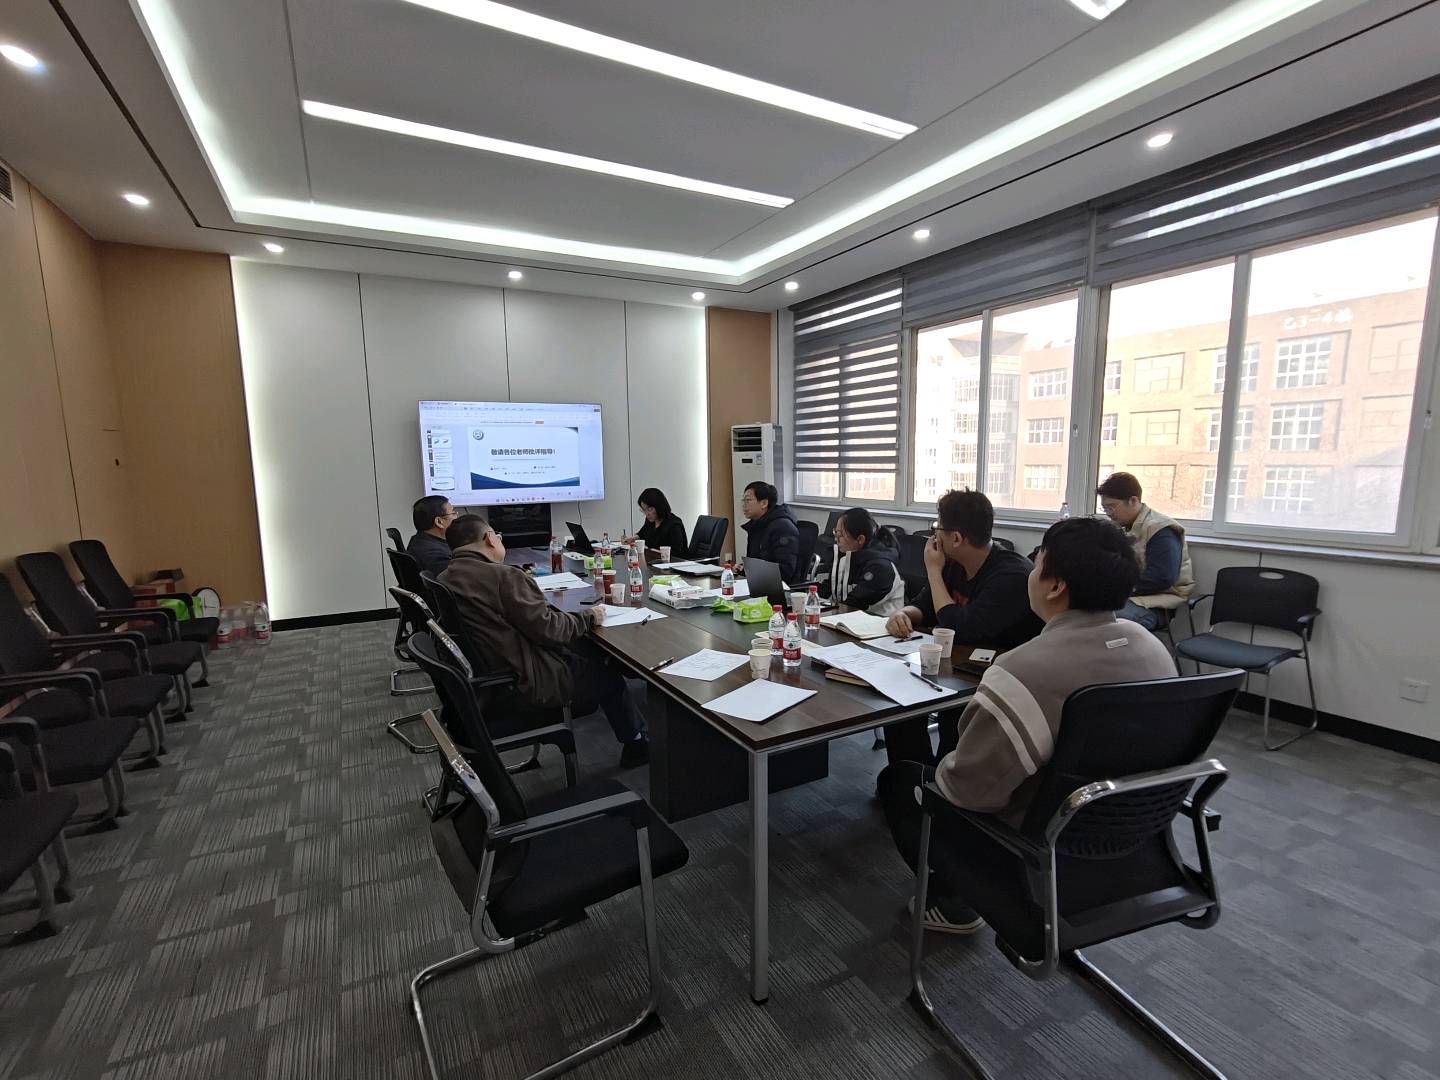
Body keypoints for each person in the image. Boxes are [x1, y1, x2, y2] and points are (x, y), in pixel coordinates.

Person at [878, 516, 1178, 934]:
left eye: (1037, 566)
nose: (1029, 575)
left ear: (1056, 587)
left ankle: (957, 900)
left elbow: (968, 791)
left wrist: (940, 769)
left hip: (1039, 841)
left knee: (900, 782)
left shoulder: (1022, 670)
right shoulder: (1154, 649)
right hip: (1136, 835)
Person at [439, 514, 650, 767]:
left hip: (491, 675)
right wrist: (588, 616)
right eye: (497, 535)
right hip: (527, 679)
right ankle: (636, 744)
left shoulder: (446, 576)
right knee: (607, 675)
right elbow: (549, 629)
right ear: (489, 539)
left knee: (588, 650)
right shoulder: (502, 576)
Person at [881, 489, 1043, 768]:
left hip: (1000, 679)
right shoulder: (953, 565)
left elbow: (959, 626)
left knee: (953, 720)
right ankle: (911, 779)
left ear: (955, 538)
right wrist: (902, 613)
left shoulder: (1011, 575)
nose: (934, 537)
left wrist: (933, 570)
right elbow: (925, 605)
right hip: (959, 667)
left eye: (937, 529)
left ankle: (943, 781)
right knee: (900, 706)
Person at [1096, 472, 1195, 631]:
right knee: (1078, 611)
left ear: (1133, 501)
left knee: (1107, 619)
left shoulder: (1161, 529)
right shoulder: (1122, 526)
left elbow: (1162, 578)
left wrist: (1115, 588)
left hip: (1157, 603)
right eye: (1105, 508)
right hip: (1128, 594)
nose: (1109, 513)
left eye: (1112, 507)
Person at [819, 508, 905, 616]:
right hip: (850, 619)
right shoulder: (846, 555)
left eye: (840, 534)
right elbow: (830, 587)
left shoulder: (880, 568)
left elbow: (856, 603)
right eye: (835, 532)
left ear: (860, 539)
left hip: (880, 622)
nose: (836, 539)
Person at [740, 481, 800, 582]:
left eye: (748, 500)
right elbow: (755, 561)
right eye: (743, 500)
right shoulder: (756, 525)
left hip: (779, 585)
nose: (744, 505)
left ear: (764, 503)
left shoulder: (782, 527)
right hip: (759, 581)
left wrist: (749, 570)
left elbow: (785, 570)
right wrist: (743, 568)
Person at [625, 487, 688, 563]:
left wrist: (655, 551)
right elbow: (642, 533)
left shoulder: (674, 524)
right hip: (655, 563)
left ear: (659, 506)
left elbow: (677, 554)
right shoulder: (650, 521)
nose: (647, 514)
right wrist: (632, 538)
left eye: (649, 509)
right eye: (644, 510)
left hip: (673, 565)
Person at [406, 495, 458, 577]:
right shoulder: (435, 555)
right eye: (453, 513)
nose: (457, 517)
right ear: (439, 522)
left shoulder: (420, 540)